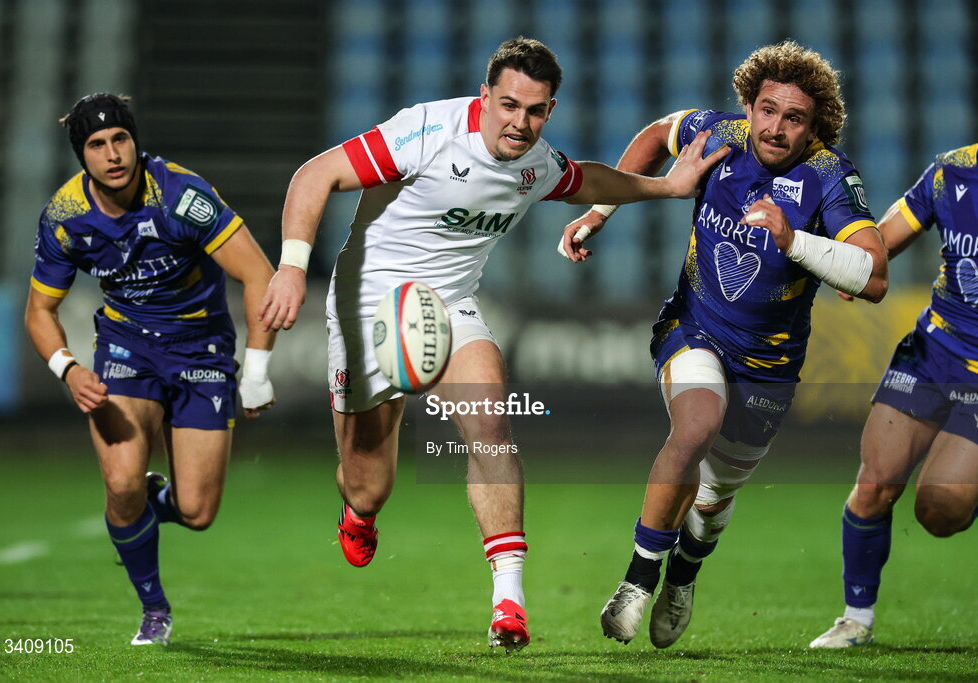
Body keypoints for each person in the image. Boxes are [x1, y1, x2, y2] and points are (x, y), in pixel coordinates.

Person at [258, 37, 727, 651]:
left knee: (490, 425)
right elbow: (315, 175)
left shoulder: (534, 163)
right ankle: (360, 511)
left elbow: (587, 180)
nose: (519, 122)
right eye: (508, 105)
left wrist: (669, 187)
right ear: (485, 97)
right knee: (368, 482)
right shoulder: (426, 131)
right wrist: (293, 266)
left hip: (451, 305)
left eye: (535, 111)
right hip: (368, 301)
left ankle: (509, 600)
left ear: (549, 110)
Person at [558, 41, 889, 648]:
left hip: (770, 364)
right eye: (767, 109)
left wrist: (795, 241)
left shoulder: (830, 177)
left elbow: (874, 275)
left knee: (711, 502)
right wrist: (600, 214)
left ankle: (683, 576)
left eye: (794, 118)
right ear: (749, 103)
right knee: (694, 427)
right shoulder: (718, 133)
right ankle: (637, 582)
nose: (776, 127)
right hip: (694, 326)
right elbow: (659, 134)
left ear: (815, 126)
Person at [24, 93, 277, 646]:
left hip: (201, 347)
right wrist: (68, 369)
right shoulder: (66, 218)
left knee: (198, 511)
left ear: (135, 141)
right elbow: (39, 312)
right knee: (120, 483)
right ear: (81, 156)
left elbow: (259, 274)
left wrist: (255, 369)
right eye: (96, 144)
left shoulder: (182, 195)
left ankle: (151, 502)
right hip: (125, 348)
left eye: (120, 138)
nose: (113, 153)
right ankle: (154, 608)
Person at [810, 144, 978, 648]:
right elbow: (887, 235)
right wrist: (856, 266)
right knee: (876, 482)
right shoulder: (954, 171)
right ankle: (856, 619)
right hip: (933, 349)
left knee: (939, 511)